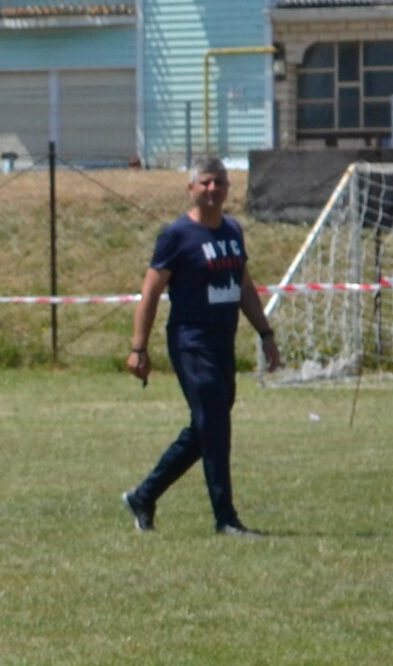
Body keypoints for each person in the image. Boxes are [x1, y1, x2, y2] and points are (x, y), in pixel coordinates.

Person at [123, 157, 281, 537]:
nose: (212, 189)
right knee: (216, 426)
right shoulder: (177, 235)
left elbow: (243, 285)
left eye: (219, 183)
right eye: (205, 183)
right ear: (191, 189)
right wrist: (138, 347)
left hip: (222, 344)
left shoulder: (232, 230)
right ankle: (226, 519)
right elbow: (150, 292)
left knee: (206, 427)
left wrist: (265, 333)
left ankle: (144, 495)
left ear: (227, 188)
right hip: (191, 343)